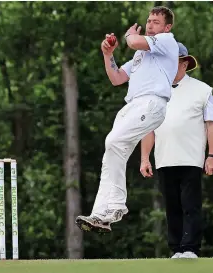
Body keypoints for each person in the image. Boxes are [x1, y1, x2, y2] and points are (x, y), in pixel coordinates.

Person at [75, 6, 179, 233]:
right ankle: (100, 214)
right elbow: (117, 77)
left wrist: (129, 35)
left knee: (113, 143)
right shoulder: (141, 55)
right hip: (132, 106)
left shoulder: (167, 41)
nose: (150, 24)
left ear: (167, 27)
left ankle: (117, 206)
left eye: (156, 22)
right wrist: (108, 54)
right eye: (149, 20)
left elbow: (133, 41)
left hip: (151, 103)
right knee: (112, 152)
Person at [139, 42, 213, 259]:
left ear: (184, 64)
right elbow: (149, 129)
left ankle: (190, 248)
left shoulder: (203, 90)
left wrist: (212, 156)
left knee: (190, 205)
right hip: (165, 158)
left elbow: (212, 125)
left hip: (191, 158)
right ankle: (177, 249)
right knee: (172, 206)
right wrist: (145, 158)